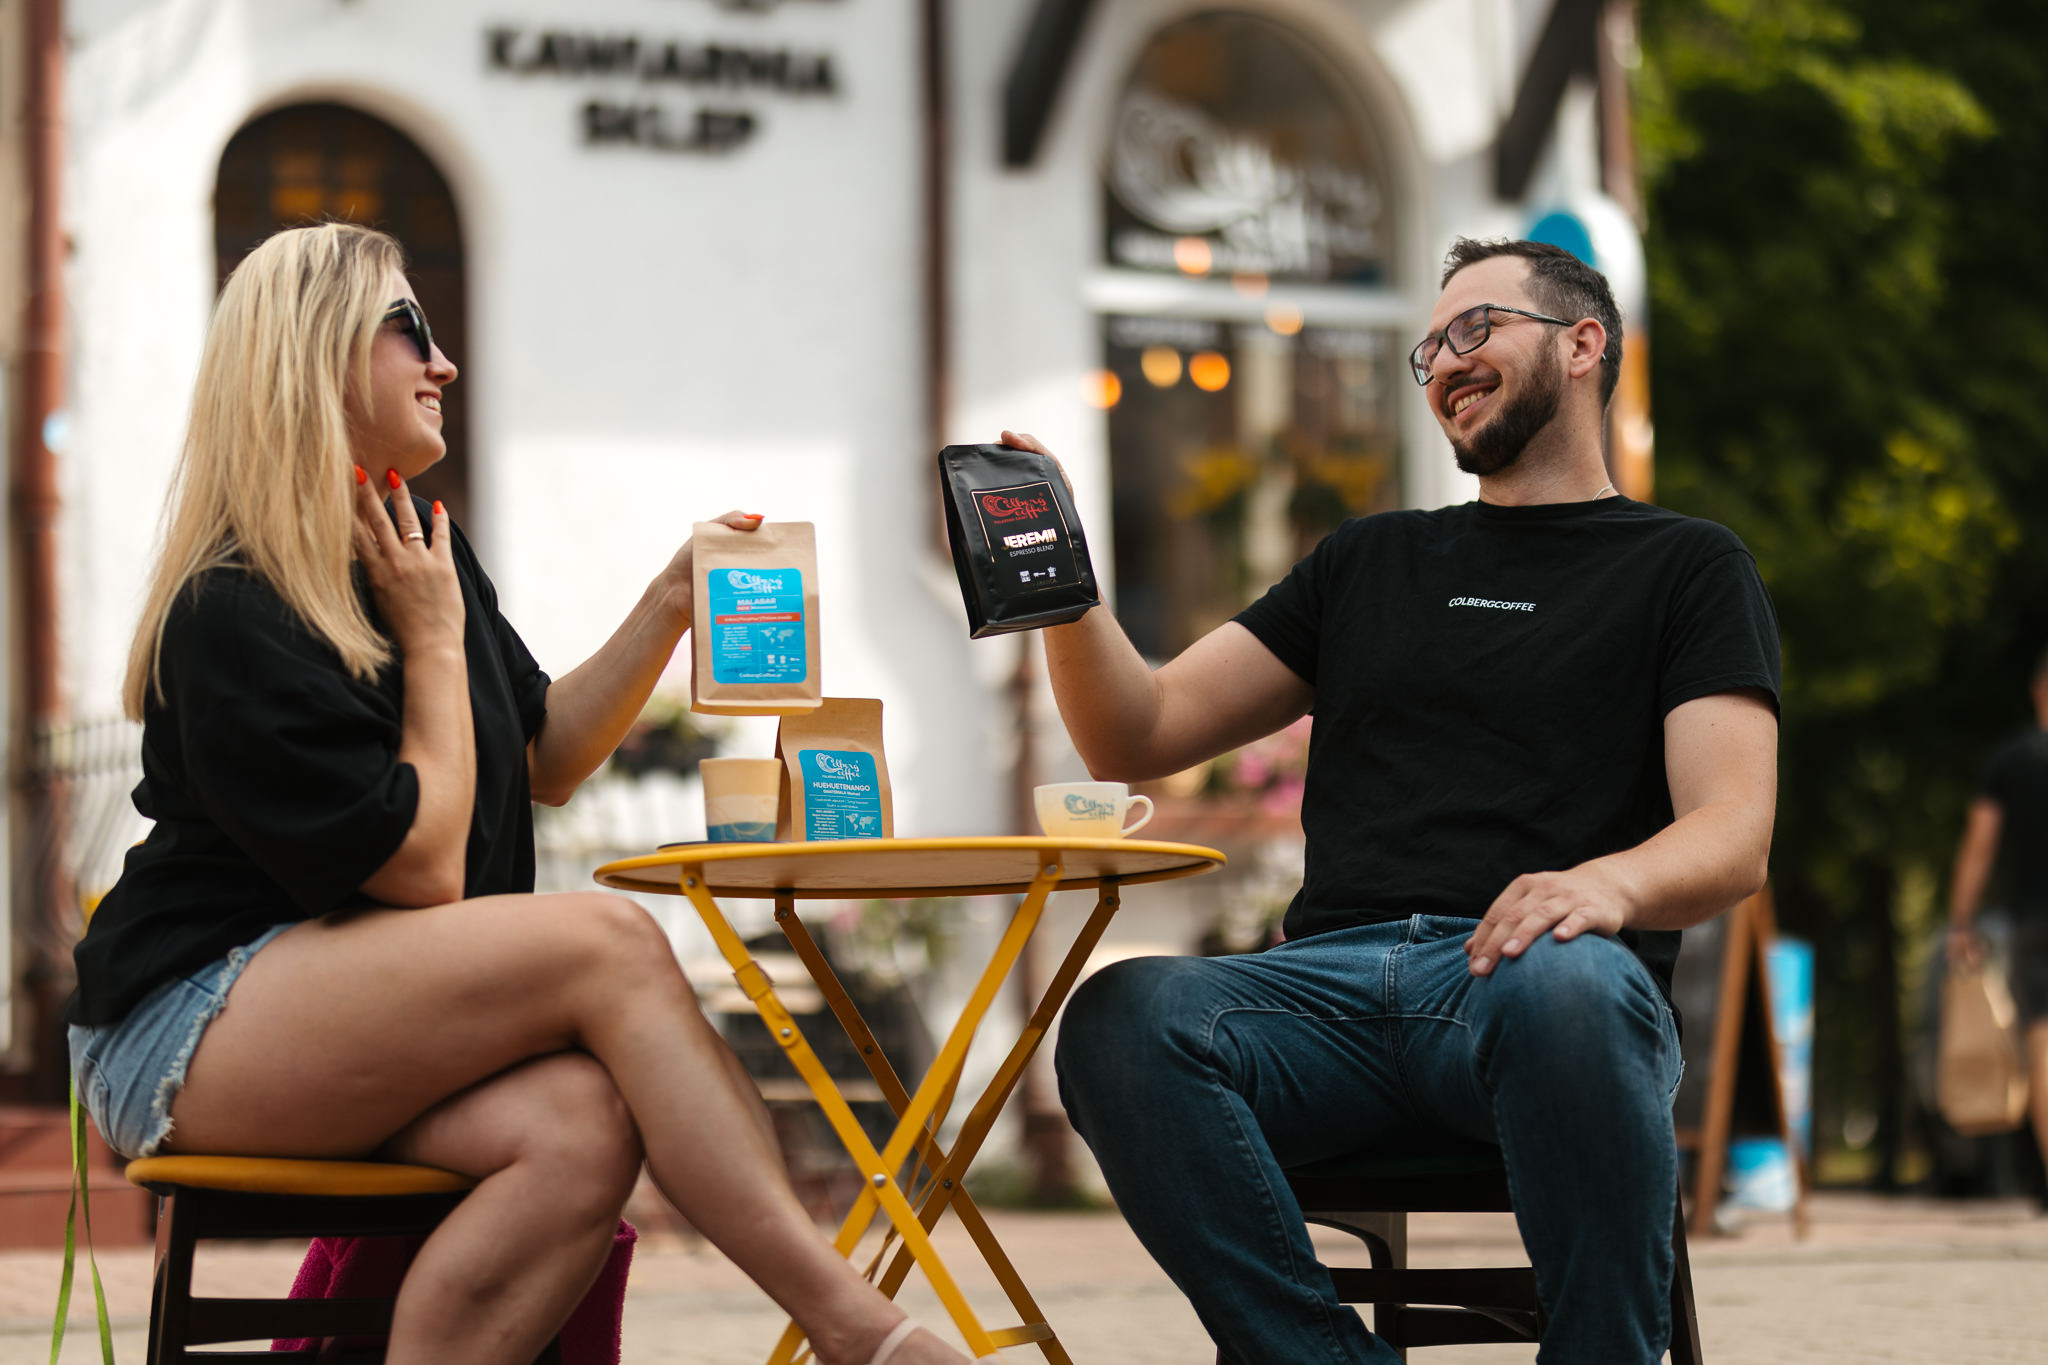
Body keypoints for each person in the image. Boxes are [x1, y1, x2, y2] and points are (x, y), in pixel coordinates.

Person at [67, 223, 976, 1365]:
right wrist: (431, 642)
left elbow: (545, 755)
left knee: (581, 1124)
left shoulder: (419, 552)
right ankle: (862, 1333)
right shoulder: (234, 604)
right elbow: (421, 869)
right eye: (411, 329)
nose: (444, 363)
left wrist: (667, 603)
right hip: (187, 1023)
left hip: (332, 1008)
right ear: (316, 352)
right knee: (608, 938)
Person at [1031, 238, 1781, 1364]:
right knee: (1122, 1018)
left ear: (1582, 343)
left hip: (1531, 989)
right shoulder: (1368, 560)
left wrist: (1604, 887)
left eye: (1476, 328)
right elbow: (1134, 734)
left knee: (1569, 981)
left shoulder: (1686, 566)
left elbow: (1732, 831)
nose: (1443, 362)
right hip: (1319, 1004)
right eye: (1429, 347)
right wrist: (1054, 576)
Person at [1944, 649, 2048, 1182]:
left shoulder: (2011, 760)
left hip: (2034, 921)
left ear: (2038, 691)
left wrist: (1961, 921)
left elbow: (1979, 847)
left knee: (2042, 1041)